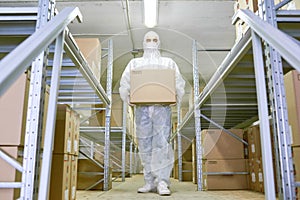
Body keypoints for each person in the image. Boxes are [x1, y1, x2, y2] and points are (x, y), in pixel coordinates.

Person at [119, 31, 185, 196]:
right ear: (143, 43)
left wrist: (177, 94)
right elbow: (125, 83)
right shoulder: (135, 64)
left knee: (162, 146)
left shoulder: (168, 63)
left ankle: (162, 182)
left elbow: (178, 82)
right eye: (148, 40)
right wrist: (128, 97)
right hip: (142, 110)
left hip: (162, 108)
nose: (151, 43)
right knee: (145, 146)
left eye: (154, 40)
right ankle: (149, 181)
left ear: (159, 42)